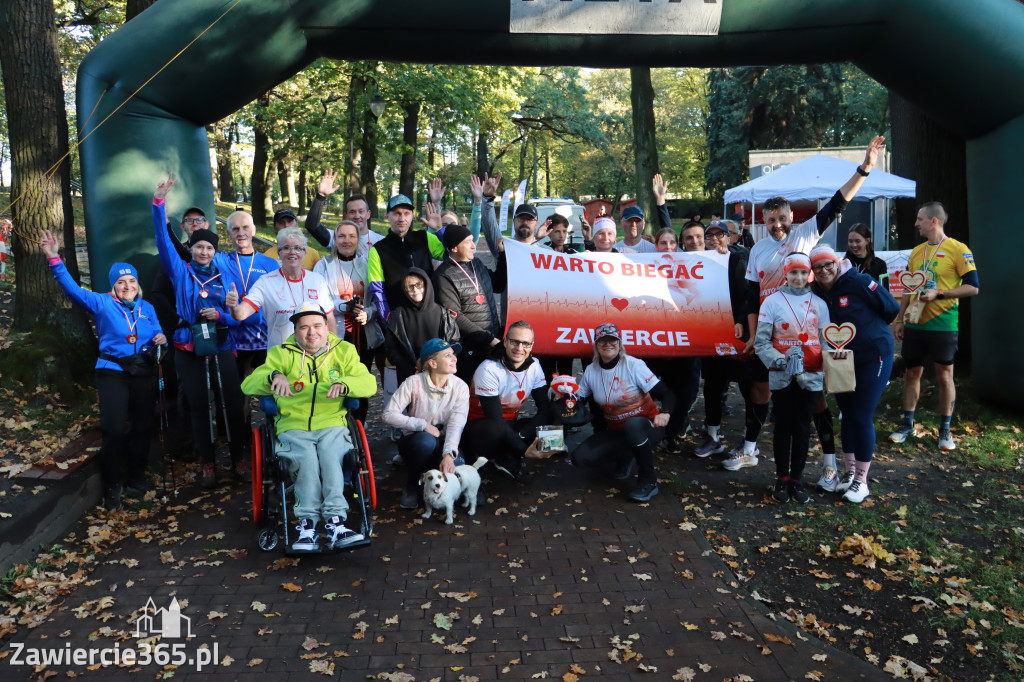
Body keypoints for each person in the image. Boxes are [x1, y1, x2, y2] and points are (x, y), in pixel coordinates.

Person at [733, 135, 886, 480]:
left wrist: (864, 168)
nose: (777, 225)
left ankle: (831, 464)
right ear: (765, 220)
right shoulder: (757, 250)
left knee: (815, 399)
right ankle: (748, 450)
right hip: (770, 334)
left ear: (791, 216)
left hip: (804, 330)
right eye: (771, 220)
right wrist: (753, 336)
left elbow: (837, 203)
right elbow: (752, 296)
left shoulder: (804, 234)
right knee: (760, 391)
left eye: (782, 218)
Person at [42, 231, 166, 511]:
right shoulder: (102, 303)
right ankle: (113, 485)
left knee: (143, 425)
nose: (127, 286)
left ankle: (136, 476)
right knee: (112, 428)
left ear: (138, 283)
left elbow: (157, 332)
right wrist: (54, 258)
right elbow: (72, 289)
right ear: (113, 286)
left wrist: (162, 338)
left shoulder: (147, 308)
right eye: (121, 282)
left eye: (132, 281)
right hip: (112, 372)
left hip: (143, 371)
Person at [240, 302, 375, 551]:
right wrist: (274, 376)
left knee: (330, 457)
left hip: (332, 422)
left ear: (327, 327)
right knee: (307, 462)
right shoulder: (280, 354)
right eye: (304, 328)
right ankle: (307, 525)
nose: (311, 333)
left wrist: (346, 383)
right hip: (293, 424)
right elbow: (248, 385)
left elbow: (368, 383)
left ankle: (336, 523)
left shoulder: (344, 351)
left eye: (317, 326)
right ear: (295, 330)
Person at [152, 174, 247, 488]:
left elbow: (238, 317)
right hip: (188, 345)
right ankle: (208, 463)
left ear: (215, 250)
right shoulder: (180, 271)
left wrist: (222, 311)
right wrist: (159, 203)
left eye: (209, 247)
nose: (204, 251)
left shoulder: (225, 273)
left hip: (221, 342)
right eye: (198, 247)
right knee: (197, 404)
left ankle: (238, 459)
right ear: (190, 249)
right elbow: (163, 241)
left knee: (231, 401)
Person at [810, 246, 900, 503]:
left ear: (837, 263)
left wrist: (870, 330)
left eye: (829, 264)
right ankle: (849, 473)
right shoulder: (816, 291)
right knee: (847, 414)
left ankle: (862, 479)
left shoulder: (859, 281)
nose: (825, 270)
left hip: (874, 355)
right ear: (813, 272)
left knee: (861, 414)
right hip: (840, 360)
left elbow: (891, 307)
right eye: (818, 267)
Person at [890, 201, 979, 451]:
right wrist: (900, 319)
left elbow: (973, 287)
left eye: (920, 219)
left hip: (943, 324)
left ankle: (945, 431)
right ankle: (907, 425)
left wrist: (940, 294)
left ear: (934, 221)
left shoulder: (958, 249)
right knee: (912, 373)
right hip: (916, 325)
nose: (916, 223)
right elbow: (907, 289)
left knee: (944, 376)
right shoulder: (917, 252)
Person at [754, 253, 830, 504]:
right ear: (786, 273)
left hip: (811, 376)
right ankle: (781, 479)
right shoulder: (771, 302)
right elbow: (761, 342)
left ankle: (797, 480)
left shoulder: (819, 304)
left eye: (802, 272)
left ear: (809, 274)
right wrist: (780, 361)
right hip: (781, 376)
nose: (798, 277)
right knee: (783, 427)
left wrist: (834, 363)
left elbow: (826, 341)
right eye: (793, 272)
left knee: (803, 427)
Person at [569, 323, 675, 502]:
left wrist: (665, 413)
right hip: (617, 431)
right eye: (602, 340)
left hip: (648, 427)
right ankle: (628, 454)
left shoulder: (633, 365)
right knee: (580, 458)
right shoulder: (590, 370)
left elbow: (667, 393)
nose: (608, 344)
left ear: (619, 343)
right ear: (596, 344)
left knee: (632, 425)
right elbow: (578, 399)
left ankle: (649, 480)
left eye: (612, 339)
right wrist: (563, 397)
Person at [382, 338, 470, 510]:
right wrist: (421, 425)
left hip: (444, 442)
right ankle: (412, 485)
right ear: (432, 363)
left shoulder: (460, 387)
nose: (454, 359)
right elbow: (388, 415)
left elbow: (456, 424)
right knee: (425, 441)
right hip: (415, 442)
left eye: (453, 354)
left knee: (457, 463)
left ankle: (465, 490)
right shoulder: (413, 383)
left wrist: (448, 455)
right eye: (447, 356)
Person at [694, 222, 755, 459]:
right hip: (711, 332)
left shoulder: (740, 257)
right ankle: (713, 437)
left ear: (729, 238)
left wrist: (740, 321)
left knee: (747, 386)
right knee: (712, 386)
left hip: (739, 332)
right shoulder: (698, 259)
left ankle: (750, 442)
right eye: (710, 236)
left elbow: (748, 294)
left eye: (720, 235)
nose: (715, 240)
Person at [461, 321, 550, 483]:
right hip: (480, 428)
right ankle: (479, 456)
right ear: (506, 341)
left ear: (532, 345)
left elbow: (544, 408)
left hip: (509, 425)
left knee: (554, 412)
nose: (519, 348)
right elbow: (495, 420)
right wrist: (523, 450)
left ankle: (511, 457)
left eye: (525, 343)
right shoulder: (489, 369)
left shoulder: (535, 365)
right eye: (515, 342)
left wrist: (524, 434)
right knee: (496, 429)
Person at [313, 220, 383, 422]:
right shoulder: (323, 265)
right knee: (334, 381)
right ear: (334, 239)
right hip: (336, 335)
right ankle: (336, 423)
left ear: (358, 239)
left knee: (359, 381)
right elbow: (318, 301)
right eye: (341, 236)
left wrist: (368, 313)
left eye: (351, 236)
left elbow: (377, 301)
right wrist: (345, 307)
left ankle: (360, 425)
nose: (346, 240)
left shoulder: (368, 264)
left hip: (363, 335)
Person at [226, 227, 337, 347]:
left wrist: (333, 349)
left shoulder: (317, 280)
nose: (292, 252)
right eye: (286, 248)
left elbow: (329, 319)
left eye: (298, 248)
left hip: (315, 357)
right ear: (279, 253)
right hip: (281, 357)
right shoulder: (265, 282)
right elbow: (240, 314)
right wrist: (233, 307)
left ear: (304, 252)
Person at [433, 223, 506, 382]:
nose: (474, 246)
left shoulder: (477, 264)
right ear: (454, 248)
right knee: (469, 399)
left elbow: (498, 285)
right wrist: (490, 340)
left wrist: (503, 254)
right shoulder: (443, 276)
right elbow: (456, 316)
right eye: (468, 242)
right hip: (469, 352)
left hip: (491, 347)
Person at [366, 194, 446, 321]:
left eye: (407, 213)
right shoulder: (378, 250)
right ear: (388, 216)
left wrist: (439, 230)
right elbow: (378, 291)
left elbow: (451, 254)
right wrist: (389, 321)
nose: (402, 218)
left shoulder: (425, 237)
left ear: (412, 215)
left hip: (431, 313)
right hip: (400, 318)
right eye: (397, 213)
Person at [221, 210, 278, 377]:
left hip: (265, 339)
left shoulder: (270, 263)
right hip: (235, 341)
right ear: (228, 233)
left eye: (245, 227)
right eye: (235, 229)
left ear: (253, 230)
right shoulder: (221, 260)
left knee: (269, 393)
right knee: (239, 393)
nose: (241, 233)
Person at [385, 268, 460, 384]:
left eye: (419, 285)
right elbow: (392, 349)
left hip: (439, 375)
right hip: (409, 376)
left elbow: (454, 342)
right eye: (410, 287)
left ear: (427, 285)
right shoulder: (397, 316)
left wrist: (435, 367)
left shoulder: (443, 314)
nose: (415, 290)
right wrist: (412, 369)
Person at [303, 170, 384, 258]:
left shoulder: (381, 241)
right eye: (352, 212)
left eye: (361, 211)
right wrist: (321, 195)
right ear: (345, 216)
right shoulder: (338, 237)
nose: (357, 216)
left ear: (368, 214)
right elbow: (312, 226)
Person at [843, 223, 889, 288]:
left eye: (857, 241)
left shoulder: (879, 264)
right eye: (850, 241)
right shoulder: (844, 264)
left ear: (867, 241)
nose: (853, 245)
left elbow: (885, 293)